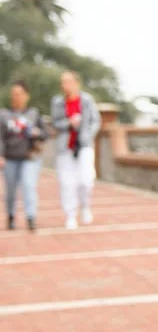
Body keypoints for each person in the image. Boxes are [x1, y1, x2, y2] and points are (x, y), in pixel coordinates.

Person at [50, 71, 100, 230]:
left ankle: (85, 205)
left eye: (68, 82)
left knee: (86, 180)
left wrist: (88, 135)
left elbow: (96, 121)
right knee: (67, 183)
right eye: (63, 82)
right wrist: (69, 123)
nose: (65, 85)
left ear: (76, 83)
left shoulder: (87, 100)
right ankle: (70, 215)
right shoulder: (57, 102)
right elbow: (55, 123)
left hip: (84, 146)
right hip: (65, 148)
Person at [0, 81, 47, 231]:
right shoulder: (4, 114)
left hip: (29, 157)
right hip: (10, 157)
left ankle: (31, 217)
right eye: (14, 94)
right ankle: (11, 216)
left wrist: (38, 133)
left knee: (29, 186)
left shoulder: (34, 113)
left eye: (19, 94)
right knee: (11, 191)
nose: (16, 97)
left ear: (26, 96)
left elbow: (45, 133)